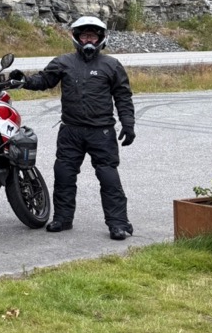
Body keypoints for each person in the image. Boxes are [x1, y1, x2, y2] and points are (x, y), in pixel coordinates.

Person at [8, 16, 136, 240]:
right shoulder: (63, 62)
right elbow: (43, 81)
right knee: (64, 175)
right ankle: (62, 218)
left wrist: (128, 124)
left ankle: (118, 223)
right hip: (70, 131)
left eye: (93, 36)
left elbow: (123, 96)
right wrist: (24, 81)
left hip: (102, 132)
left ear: (101, 39)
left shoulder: (112, 65)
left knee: (108, 178)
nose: (89, 40)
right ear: (77, 38)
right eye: (85, 36)